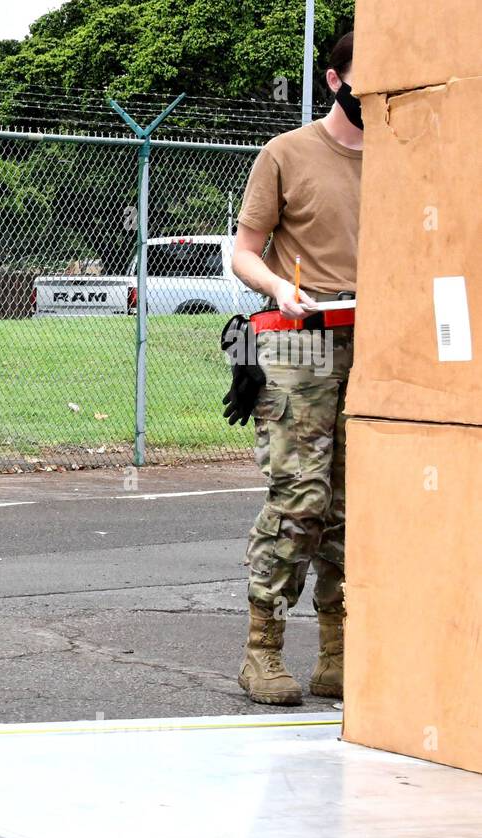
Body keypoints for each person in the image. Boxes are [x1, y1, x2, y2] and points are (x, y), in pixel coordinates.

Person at [227, 31, 362, 706]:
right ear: (337, 80)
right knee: (302, 499)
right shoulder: (288, 153)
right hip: (301, 339)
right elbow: (244, 251)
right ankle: (263, 651)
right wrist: (279, 288)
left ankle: (339, 653)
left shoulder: (412, 161)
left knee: (358, 505)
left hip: (377, 344)